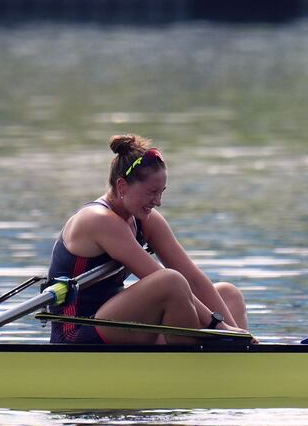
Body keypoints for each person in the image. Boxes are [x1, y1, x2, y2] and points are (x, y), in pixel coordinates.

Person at [47, 134, 248, 344]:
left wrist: (234, 331)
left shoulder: (145, 219)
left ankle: (239, 357)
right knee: (171, 281)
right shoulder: (98, 220)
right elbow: (163, 279)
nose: (158, 201)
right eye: (151, 192)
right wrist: (220, 327)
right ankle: (194, 365)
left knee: (228, 294)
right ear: (122, 187)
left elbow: (192, 277)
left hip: (120, 324)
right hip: (78, 332)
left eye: (161, 192)